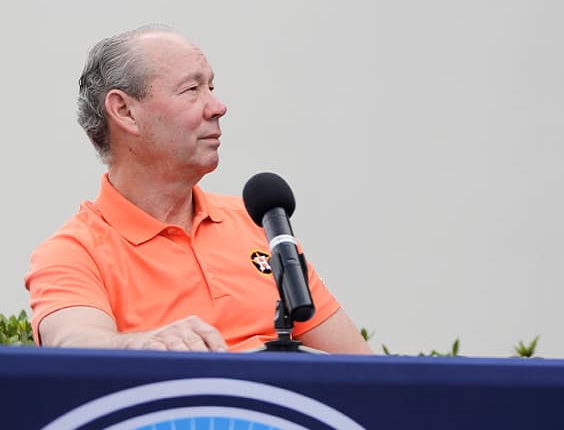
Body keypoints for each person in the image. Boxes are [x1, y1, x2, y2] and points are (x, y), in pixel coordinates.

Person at [26, 25, 371, 354]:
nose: (218, 107)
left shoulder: (259, 223)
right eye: (192, 90)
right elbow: (74, 342)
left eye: (212, 87)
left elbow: (363, 371)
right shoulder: (75, 251)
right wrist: (144, 344)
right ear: (124, 111)